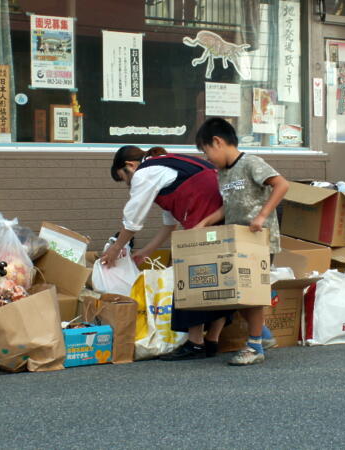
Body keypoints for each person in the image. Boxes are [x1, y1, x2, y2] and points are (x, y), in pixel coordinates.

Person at [100, 145, 233, 360]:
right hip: (224, 213)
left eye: (124, 178)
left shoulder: (144, 173)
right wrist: (145, 252)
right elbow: (169, 225)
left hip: (204, 215)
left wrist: (116, 248)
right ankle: (212, 341)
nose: (128, 184)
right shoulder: (168, 165)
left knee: (193, 276)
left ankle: (195, 343)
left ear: (130, 165)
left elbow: (133, 220)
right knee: (221, 277)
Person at [194, 118, 289, 366]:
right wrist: (205, 222)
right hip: (236, 241)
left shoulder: (250, 163)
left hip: (258, 240)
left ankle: (255, 345)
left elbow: (281, 184)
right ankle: (263, 336)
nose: (207, 158)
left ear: (218, 142)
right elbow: (229, 206)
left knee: (252, 293)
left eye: (206, 152)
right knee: (240, 294)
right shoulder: (222, 173)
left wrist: (262, 216)